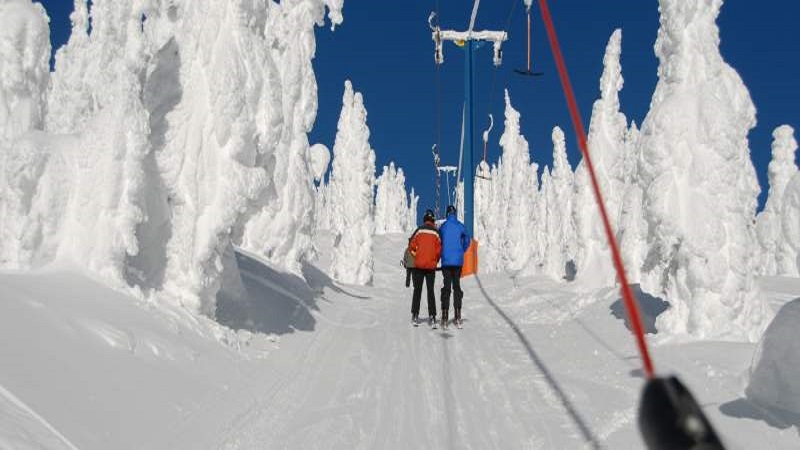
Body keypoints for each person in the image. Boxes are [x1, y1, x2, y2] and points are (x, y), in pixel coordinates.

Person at [438, 205, 471, 329]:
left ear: (447, 214)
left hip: (446, 262)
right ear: (455, 213)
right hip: (457, 262)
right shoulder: (460, 226)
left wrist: (442, 252)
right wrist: (462, 249)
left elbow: (439, 240)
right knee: (456, 287)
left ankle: (445, 315)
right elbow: (467, 238)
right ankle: (457, 315)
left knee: (446, 287)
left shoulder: (443, 227)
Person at [407, 209, 441, 327]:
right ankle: (432, 316)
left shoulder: (419, 230)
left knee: (417, 290)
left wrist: (417, 256)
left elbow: (411, 246)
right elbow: (439, 250)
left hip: (419, 265)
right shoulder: (436, 232)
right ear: (432, 219)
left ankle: (415, 315)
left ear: (425, 219)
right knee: (430, 291)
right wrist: (434, 260)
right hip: (431, 267)